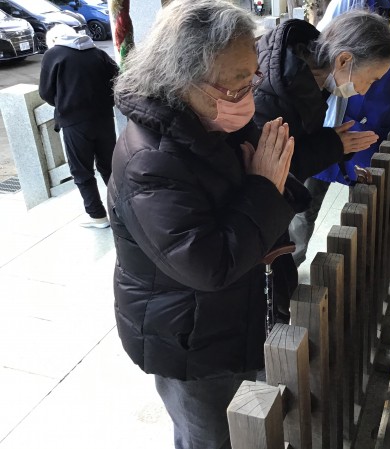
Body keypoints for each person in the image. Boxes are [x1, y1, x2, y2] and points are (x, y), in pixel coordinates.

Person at [107, 1, 309, 448]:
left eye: (253, 77)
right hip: (189, 341)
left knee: (245, 425)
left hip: (230, 318)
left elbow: (269, 179)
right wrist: (264, 188)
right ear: (182, 78)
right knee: (210, 438)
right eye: (237, 83)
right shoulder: (150, 161)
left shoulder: (211, 119)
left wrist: (271, 180)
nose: (249, 94)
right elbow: (209, 266)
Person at [287, 0, 390, 267]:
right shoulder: (351, 3)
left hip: (375, 127)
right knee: (304, 204)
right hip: (329, 123)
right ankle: (290, 267)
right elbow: (320, 59)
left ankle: (357, 266)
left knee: (364, 207)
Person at [253, 10, 390, 265]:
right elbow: (272, 171)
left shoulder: (309, 76)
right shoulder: (276, 91)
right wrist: (332, 145)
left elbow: (296, 142)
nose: (364, 90)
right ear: (343, 60)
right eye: (370, 80)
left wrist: (334, 143)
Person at [38, 24, 119, 229]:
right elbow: (117, 79)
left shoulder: (53, 55)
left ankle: (97, 216)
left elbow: (45, 92)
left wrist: (64, 102)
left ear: (54, 40)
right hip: (103, 119)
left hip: (74, 122)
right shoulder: (98, 53)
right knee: (110, 166)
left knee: (82, 170)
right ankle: (122, 211)